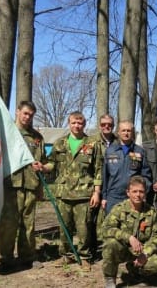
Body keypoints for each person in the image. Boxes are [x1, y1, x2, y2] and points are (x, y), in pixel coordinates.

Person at [0, 101, 50, 270]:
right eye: (25, 113)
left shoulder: (37, 138)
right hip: (10, 185)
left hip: (31, 186)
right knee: (8, 223)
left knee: (28, 224)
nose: (28, 117)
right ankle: (6, 258)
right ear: (17, 111)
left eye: (31, 115)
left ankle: (27, 256)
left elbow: (45, 162)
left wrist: (42, 168)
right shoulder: (5, 133)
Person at [48, 111, 102, 270]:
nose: (77, 126)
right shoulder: (60, 143)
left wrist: (97, 192)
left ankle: (85, 257)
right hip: (63, 192)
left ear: (84, 125)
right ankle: (66, 255)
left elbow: (98, 169)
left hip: (84, 193)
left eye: (80, 123)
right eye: (74, 123)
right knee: (64, 227)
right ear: (69, 123)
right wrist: (43, 167)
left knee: (83, 229)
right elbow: (52, 164)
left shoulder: (92, 143)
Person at [102, 176, 157, 288]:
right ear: (128, 193)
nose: (138, 195)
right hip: (123, 249)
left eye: (141, 191)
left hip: (141, 251)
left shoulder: (151, 212)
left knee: (156, 264)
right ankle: (110, 278)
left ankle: (135, 272)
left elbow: (156, 237)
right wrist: (128, 237)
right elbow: (106, 229)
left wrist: (145, 254)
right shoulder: (119, 209)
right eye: (134, 191)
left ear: (145, 193)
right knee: (110, 244)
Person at [102, 120, 151, 214]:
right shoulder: (110, 151)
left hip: (133, 197)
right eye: (123, 130)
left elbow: (146, 175)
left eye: (129, 131)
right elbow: (105, 176)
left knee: (131, 226)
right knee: (112, 226)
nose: (126, 133)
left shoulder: (140, 151)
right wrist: (104, 197)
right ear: (118, 132)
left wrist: (143, 194)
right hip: (113, 196)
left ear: (132, 132)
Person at [89, 114, 118, 256]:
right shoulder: (91, 141)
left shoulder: (118, 142)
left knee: (112, 218)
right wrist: (96, 190)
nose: (106, 127)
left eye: (110, 125)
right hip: (94, 185)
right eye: (103, 124)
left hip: (112, 185)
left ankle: (111, 249)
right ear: (99, 125)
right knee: (92, 219)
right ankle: (93, 248)